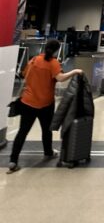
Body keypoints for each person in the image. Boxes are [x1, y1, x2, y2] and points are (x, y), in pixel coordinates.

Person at [8, 39, 83, 173]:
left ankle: (13, 161)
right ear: (56, 50)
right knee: (46, 130)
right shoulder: (53, 63)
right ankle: (48, 152)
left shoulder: (33, 60)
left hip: (27, 102)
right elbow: (60, 78)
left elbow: (24, 75)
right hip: (45, 104)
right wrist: (75, 71)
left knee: (22, 132)